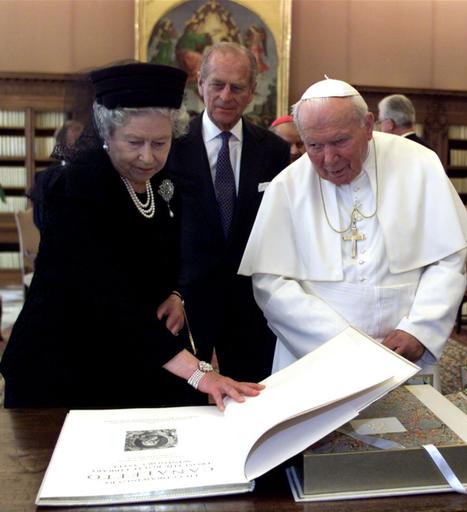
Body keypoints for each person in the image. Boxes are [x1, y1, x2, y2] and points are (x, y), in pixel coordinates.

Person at [0, 62, 263, 410]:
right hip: (64, 363)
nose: (148, 157)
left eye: (160, 142)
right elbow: (109, 298)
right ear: (107, 135)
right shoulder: (79, 190)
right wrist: (198, 372)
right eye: (134, 142)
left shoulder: (162, 182)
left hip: (133, 350)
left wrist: (175, 294)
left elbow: (167, 257)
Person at [239, 78, 467, 390]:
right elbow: (271, 282)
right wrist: (342, 343)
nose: (328, 159)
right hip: (319, 356)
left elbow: (448, 258)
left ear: (367, 126)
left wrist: (420, 329)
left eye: (339, 142)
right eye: (314, 145)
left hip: (405, 354)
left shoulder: (419, 165)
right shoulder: (288, 186)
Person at [167, 42, 290, 384]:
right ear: (200, 83)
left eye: (237, 87)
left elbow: (279, 228)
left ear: (252, 91)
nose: (226, 95)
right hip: (186, 302)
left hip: (251, 306)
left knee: (254, 397)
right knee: (182, 402)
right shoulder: (172, 146)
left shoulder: (274, 151)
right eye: (217, 84)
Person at [31, 120, 85, 230]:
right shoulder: (47, 180)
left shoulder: (97, 174)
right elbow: (40, 222)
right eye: (74, 143)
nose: (79, 148)